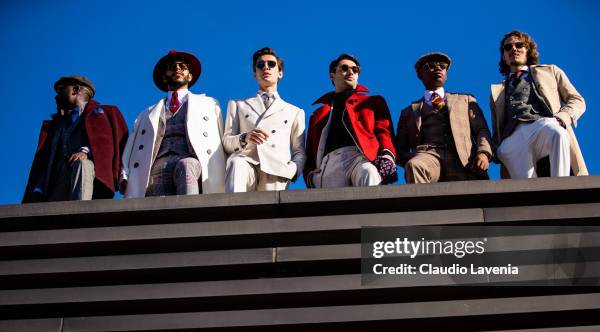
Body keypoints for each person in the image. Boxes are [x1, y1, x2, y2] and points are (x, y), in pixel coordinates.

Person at [121, 50, 226, 197]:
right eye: (171, 67)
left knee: (187, 166)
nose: (177, 69)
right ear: (164, 77)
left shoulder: (210, 104)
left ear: (190, 76)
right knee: (158, 212)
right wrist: (124, 174)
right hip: (157, 165)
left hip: (192, 160)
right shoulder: (146, 114)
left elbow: (222, 138)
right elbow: (131, 147)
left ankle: (189, 217)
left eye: (182, 66)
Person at [490, 30, 587, 178]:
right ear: (503, 55)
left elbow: (577, 100)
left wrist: (561, 118)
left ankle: (561, 186)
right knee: (527, 189)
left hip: (541, 124)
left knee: (558, 133)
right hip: (512, 137)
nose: (513, 49)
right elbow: (497, 125)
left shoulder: (550, 71)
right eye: (508, 47)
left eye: (519, 45)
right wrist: (498, 148)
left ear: (527, 50)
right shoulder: (497, 90)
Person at [23, 76, 128, 202]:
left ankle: (81, 217)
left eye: (61, 90)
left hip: (84, 176)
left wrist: (86, 152)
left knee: (83, 165)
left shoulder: (100, 113)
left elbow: (105, 144)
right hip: (55, 183)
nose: (56, 96)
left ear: (75, 89)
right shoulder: (56, 126)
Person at [396, 52, 492, 183]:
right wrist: (415, 157)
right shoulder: (408, 112)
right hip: (428, 156)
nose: (438, 68)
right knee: (415, 166)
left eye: (442, 66)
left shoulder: (466, 100)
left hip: (463, 158)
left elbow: (481, 129)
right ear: (420, 75)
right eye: (431, 65)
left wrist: (484, 153)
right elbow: (400, 150)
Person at [305, 53, 397, 188]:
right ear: (332, 75)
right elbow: (310, 150)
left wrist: (387, 156)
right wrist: (310, 176)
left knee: (369, 173)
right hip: (330, 162)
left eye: (355, 69)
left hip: (361, 157)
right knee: (334, 206)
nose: (350, 72)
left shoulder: (373, 102)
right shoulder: (318, 114)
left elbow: (384, 131)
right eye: (344, 68)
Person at [223, 47, 305, 192]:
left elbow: (299, 150)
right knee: (236, 164)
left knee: (271, 213)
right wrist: (245, 137)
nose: (266, 67)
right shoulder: (237, 105)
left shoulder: (295, 112)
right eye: (260, 65)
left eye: (271, 64)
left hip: (277, 169)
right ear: (255, 73)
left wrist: (293, 169)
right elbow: (226, 142)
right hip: (246, 162)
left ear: (280, 73)